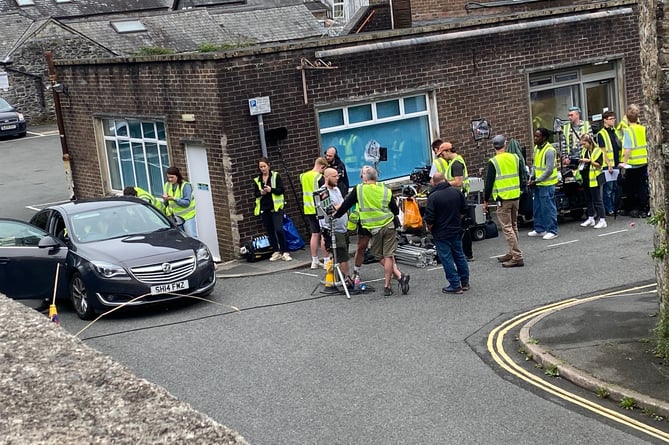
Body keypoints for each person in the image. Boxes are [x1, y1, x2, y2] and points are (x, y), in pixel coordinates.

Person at [334, 167, 410, 297]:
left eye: (363, 173)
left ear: (365, 177)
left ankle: (397, 277)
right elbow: (395, 211)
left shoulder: (359, 189)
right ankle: (391, 282)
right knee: (388, 256)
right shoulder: (385, 189)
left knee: (378, 255)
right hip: (388, 225)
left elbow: (346, 204)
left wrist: (335, 215)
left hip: (372, 227)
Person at [423, 172, 470, 294]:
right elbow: (465, 209)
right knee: (459, 255)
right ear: (444, 180)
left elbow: (430, 217)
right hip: (456, 229)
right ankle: (464, 282)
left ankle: (455, 284)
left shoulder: (433, 197)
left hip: (441, 232)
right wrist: (458, 219)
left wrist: (429, 228)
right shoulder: (456, 192)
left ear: (434, 181)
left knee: (447, 258)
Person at [483, 135, 524, 267]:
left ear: (493, 146)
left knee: (507, 228)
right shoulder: (515, 158)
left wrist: (485, 200)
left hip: (503, 198)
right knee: (514, 226)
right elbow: (521, 174)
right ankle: (512, 252)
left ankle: (517, 256)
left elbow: (489, 183)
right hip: (515, 196)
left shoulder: (493, 162)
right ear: (505, 144)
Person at [253, 157, 292, 262]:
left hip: (276, 207)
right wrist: (261, 192)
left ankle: (285, 251)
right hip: (265, 208)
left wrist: (271, 190)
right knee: (270, 231)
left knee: (279, 230)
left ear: (268, 165)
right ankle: (276, 251)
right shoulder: (257, 179)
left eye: (264, 166)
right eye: (260, 167)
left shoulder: (275, 176)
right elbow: (255, 194)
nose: (263, 169)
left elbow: (281, 190)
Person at [439, 142, 473, 260]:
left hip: (459, 196)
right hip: (459, 195)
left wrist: (444, 183)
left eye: (442, 153)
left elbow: (458, 182)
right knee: (462, 225)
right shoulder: (455, 162)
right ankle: (465, 253)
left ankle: (467, 254)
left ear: (448, 151)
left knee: (462, 226)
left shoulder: (456, 164)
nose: (441, 156)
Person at [320, 168, 351, 285]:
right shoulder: (323, 192)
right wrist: (342, 205)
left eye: (337, 176)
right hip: (333, 229)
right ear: (327, 177)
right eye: (334, 176)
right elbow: (328, 211)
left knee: (344, 253)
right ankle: (346, 279)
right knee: (342, 254)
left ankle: (342, 276)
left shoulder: (337, 189)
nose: (337, 178)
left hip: (343, 227)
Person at [618, 104, 649, 218]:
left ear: (626, 117)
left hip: (632, 164)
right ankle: (643, 209)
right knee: (642, 186)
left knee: (630, 187)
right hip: (643, 161)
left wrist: (624, 163)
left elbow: (628, 148)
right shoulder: (642, 128)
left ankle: (630, 208)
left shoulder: (628, 131)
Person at [528, 128, 558, 240]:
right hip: (538, 183)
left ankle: (552, 230)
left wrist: (537, 180)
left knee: (548, 208)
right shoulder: (536, 148)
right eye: (535, 136)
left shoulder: (549, 150)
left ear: (544, 138)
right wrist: (532, 176)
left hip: (547, 184)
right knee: (537, 207)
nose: (535, 138)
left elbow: (549, 170)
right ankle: (540, 229)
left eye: (538, 136)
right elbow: (535, 165)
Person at [300, 157, 328, 269]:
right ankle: (326, 261)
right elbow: (323, 195)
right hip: (319, 209)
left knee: (314, 234)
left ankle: (314, 260)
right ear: (322, 166)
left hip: (308, 209)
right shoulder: (319, 177)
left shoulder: (303, 176)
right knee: (324, 235)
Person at [574, 134, 607, 229]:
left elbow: (599, 165)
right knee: (588, 199)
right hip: (586, 177)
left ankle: (602, 219)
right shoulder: (585, 151)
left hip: (595, 178)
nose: (583, 146)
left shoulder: (597, 151)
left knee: (598, 200)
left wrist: (589, 161)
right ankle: (591, 217)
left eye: (584, 144)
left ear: (589, 142)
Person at [597, 111, 623, 216]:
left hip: (616, 163)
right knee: (608, 189)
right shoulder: (601, 134)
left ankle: (614, 207)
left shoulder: (614, 131)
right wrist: (609, 165)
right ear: (605, 120)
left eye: (614, 119)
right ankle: (609, 209)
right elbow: (603, 151)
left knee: (615, 188)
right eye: (611, 119)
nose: (613, 121)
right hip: (609, 165)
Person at [162, 166, 198, 238]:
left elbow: (186, 203)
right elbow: (166, 203)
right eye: (168, 177)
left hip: (187, 216)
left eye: (172, 177)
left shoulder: (186, 186)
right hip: (175, 217)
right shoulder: (167, 185)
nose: (170, 179)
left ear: (177, 176)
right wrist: (165, 199)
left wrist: (174, 199)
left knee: (191, 237)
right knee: (180, 238)